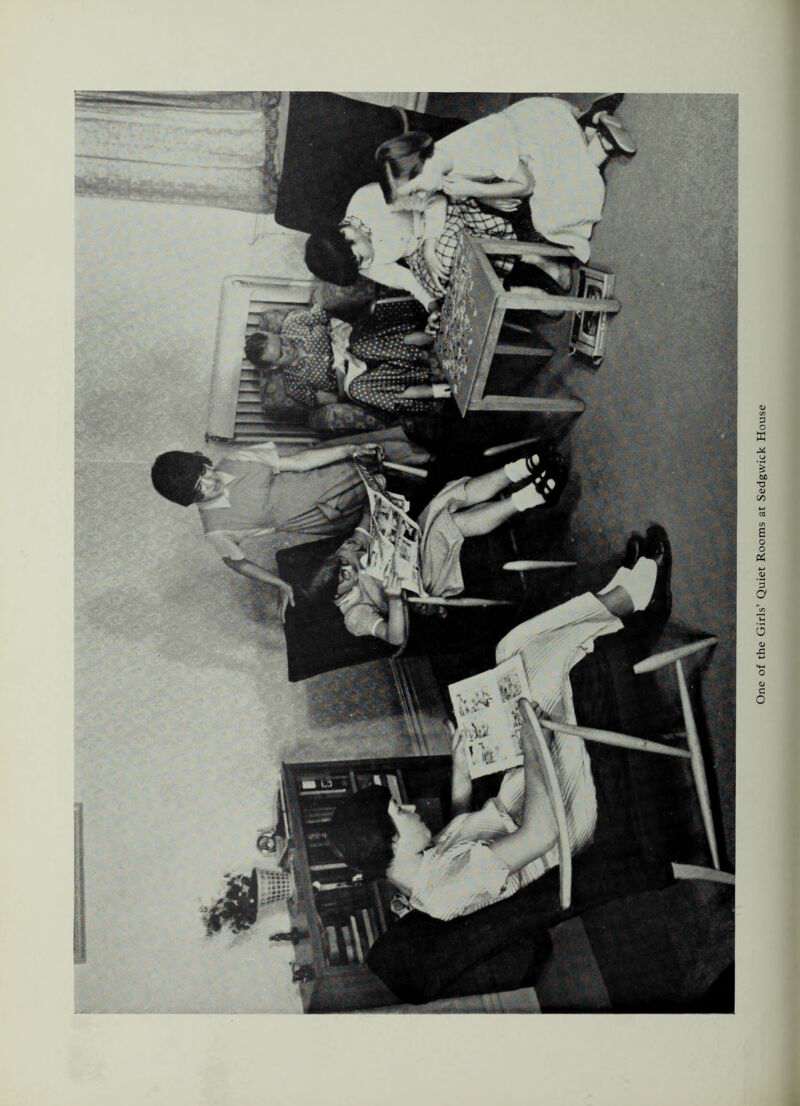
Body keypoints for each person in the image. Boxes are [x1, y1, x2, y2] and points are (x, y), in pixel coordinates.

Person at [326, 524, 673, 920]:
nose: (408, 807)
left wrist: (462, 767)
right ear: (390, 845)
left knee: (509, 650)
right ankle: (638, 607)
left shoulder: (416, 866)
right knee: (541, 671)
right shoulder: (444, 890)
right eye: (398, 813)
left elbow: (460, 826)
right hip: (561, 813)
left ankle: (621, 598)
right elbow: (541, 834)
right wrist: (530, 742)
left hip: (524, 794)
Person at [311, 447, 570, 645]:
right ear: (337, 596)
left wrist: (375, 495)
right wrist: (393, 598)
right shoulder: (353, 617)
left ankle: (524, 471)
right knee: (445, 526)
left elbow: (366, 522)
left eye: (343, 565)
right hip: (420, 586)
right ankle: (531, 494)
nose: (349, 568)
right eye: (344, 577)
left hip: (413, 546)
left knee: (442, 502)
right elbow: (395, 637)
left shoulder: (346, 556)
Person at [150, 436, 429, 620]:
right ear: (189, 499)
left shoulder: (236, 459)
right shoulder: (216, 529)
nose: (211, 481)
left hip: (334, 474)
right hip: (331, 516)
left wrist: (349, 450)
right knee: (411, 509)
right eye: (201, 488)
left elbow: (299, 462)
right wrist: (280, 584)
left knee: (410, 462)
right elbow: (237, 563)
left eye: (203, 471)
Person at [376, 95, 636, 289]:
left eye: (418, 190)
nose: (424, 197)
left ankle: (600, 146)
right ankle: (591, 124)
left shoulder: (468, 152)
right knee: (514, 210)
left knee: (549, 220)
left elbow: (527, 183)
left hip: (541, 132)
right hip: (531, 126)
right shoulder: (441, 160)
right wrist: (431, 247)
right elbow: (436, 203)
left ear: (421, 162)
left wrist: (476, 189)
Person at [304, 181, 516, 311]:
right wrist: (430, 305)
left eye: (361, 260)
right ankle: (508, 288)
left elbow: (436, 200)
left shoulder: (370, 199)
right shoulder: (358, 262)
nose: (367, 266)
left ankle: (522, 260)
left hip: (441, 217)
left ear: (347, 233)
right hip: (423, 253)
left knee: (449, 255)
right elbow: (404, 278)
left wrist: (430, 247)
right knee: (440, 284)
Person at [244, 299, 451, 418]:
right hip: (360, 377)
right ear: (272, 367)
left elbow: (329, 311)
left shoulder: (293, 324)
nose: (289, 346)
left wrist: (340, 327)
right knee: (357, 390)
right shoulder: (294, 385)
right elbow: (340, 398)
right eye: (281, 353)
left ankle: (436, 339)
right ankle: (438, 391)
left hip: (359, 340)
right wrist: (340, 369)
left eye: (281, 340)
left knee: (360, 346)